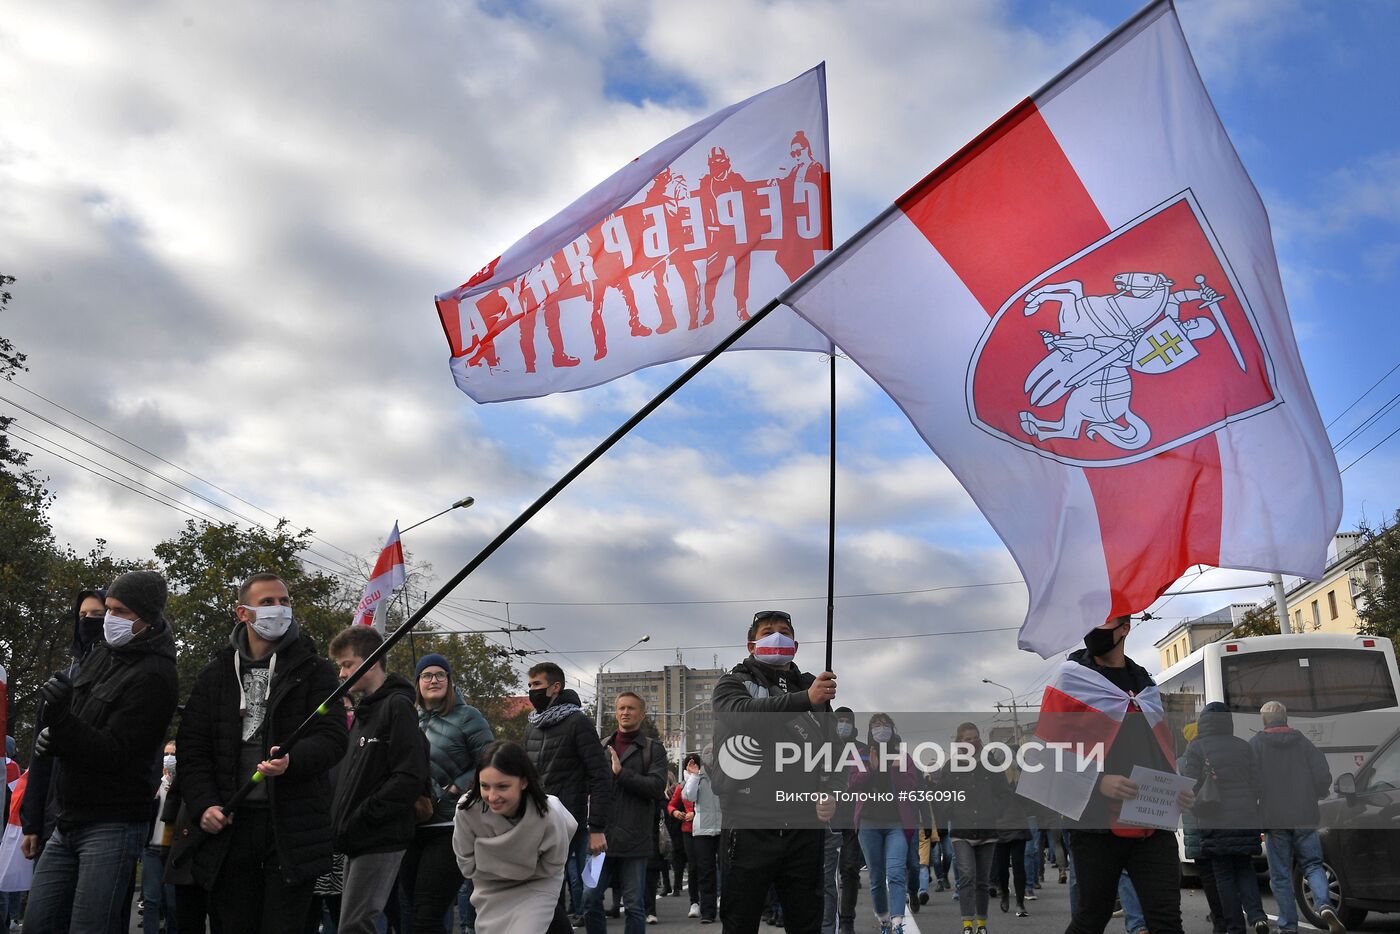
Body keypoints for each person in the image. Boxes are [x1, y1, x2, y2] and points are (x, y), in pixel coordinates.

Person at [175, 571, 349, 932]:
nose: (279, 609)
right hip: (230, 826)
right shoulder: (215, 675)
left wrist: (293, 761)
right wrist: (204, 804)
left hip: (292, 827)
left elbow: (332, 738)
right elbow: (193, 750)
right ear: (244, 613)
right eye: (267, 602)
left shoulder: (315, 671)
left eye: (284, 602)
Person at [23, 570, 180, 934]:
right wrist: (54, 737)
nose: (109, 619)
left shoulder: (156, 675)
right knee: (38, 923)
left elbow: (114, 752)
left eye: (121, 611)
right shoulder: (102, 655)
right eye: (108, 608)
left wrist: (62, 720)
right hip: (68, 819)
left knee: (91, 925)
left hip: (112, 824)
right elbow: (79, 722)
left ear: (148, 618)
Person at [1056, 616, 1191, 934]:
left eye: (1101, 622)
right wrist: (1100, 781)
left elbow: (1161, 748)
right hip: (1095, 826)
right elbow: (1049, 754)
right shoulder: (1072, 681)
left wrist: (1178, 789)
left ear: (1124, 628)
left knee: (1167, 920)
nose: (1091, 631)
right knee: (1093, 917)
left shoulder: (1146, 685)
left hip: (1152, 822)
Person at [711, 609, 839, 934]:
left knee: (807, 921)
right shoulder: (733, 682)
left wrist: (831, 790)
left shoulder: (814, 686)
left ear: (795, 645)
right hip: (748, 822)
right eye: (767, 632)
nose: (776, 637)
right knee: (740, 922)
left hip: (804, 826)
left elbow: (833, 748)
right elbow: (742, 715)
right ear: (751, 644)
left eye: (783, 631)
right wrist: (804, 699)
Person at [328, 625, 429, 934]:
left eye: (347, 664)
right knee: (352, 923)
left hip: (379, 836)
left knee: (357, 925)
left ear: (370, 662)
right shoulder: (363, 714)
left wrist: (364, 815)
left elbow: (409, 775)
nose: (342, 674)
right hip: (356, 837)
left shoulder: (396, 706)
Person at [20, 587, 108, 863]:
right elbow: (39, 756)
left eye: (97, 614)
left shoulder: (121, 678)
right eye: (82, 614)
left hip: (100, 818)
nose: (87, 621)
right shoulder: (62, 679)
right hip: (53, 817)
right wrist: (32, 823)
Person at [453, 740, 578, 934]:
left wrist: (490, 861)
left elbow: (553, 864)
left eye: (502, 787)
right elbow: (466, 863)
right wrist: (523, 865)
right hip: (489, 891)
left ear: (524, 781)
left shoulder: (548, 814)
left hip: (537, 886)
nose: (492, 796)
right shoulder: (467, 810)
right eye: (485, 786)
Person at [522, 661, 612, 927]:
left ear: (555, 687)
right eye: (529, 685)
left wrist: (596, 827)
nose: (532, 690)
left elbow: (600, 775)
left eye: (537, 685)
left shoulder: (578, 723)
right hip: (538, 822)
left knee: (589, 894)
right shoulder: (531, 727)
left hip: (576, 825)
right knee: (547, 897)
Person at [409, 652, 494, 934]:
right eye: (426, 675)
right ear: (418, 682)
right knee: (411, 911)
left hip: (450, 826)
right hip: (411, 825)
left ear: (449, 681)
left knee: (428, 913)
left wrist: (458, 785)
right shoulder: (409, 716)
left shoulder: (468, 717)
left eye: (440, 675)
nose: (434, 680)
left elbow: (491, 761)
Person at [1249, 701, 1344, 934]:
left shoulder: (1256, 745)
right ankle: (1323, 904)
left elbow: (1251, 781)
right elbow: (1322, 773)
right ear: (1286, 718)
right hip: (1305, 814)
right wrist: (1317, 793)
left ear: (1264, 720)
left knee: (1280, 875)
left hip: (1274, 818)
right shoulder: (1303, 742)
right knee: (1312, 865)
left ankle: (1288, 926)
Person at [584, 692, 666, 934]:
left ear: (641, 714)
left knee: (634, 905)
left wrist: (621, 773)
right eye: (621, 708)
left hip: (635, 840)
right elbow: (589, 786)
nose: (625, 712)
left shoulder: (653, 749)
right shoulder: (600, 747)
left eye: (630, 708)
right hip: (600, 838)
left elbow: (656, 787)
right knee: (589, 897)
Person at [1182, 702, 1267, 934]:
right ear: (1229, 722)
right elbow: (1258, 784)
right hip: (1245, 817)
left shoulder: (1197, 748)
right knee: (1245, 868)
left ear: (1203, 723)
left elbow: (1189, 784)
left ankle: (1235, 926)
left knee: (1224, 876)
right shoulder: (1243, 746)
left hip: (1214, 818)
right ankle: (1258, 916)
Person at [850, 713, 921, 934]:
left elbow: (911, 787)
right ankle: (883, 920)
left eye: (885, 725)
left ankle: (898, 923)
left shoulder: (903, 756)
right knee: (877, 877)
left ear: (892, 729)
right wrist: (871, 767)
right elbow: (852, 784)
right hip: (869, 822)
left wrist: (895, 769)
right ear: (870, 731)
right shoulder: (861, 755)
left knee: (896, 872)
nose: (881, 729)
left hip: (896, 823)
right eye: (876, 725)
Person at [936, 722, 1009, 934]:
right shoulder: (951, 766)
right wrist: (951, 811)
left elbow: (1004, 793)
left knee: (982, 881)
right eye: (967, 739)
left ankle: (982, 924)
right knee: (967, 875)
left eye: (975, 737)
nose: (972, 742)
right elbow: (940, 795)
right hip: (962, 831)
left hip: (987, 830)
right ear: (959, 742)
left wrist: (994, 811)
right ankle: (967, 923)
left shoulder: (990, 762)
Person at [823, 708, 865, 934]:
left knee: (849, 871)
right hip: (827, 819)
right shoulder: (823, 747)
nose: (843, 724)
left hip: (854, 821)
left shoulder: (863, 750)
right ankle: (827, 922)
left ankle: (847, 920)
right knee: (826, 876)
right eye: (840, 720)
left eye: (848, 721)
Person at [141, 741, 178, 934]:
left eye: (173, 754)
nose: (169, 757)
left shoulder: (180, 785)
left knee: (172, 903)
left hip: (172, 851)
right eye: (166, 753)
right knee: (151, 900)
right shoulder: (155, 783)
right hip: (152, 849)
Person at [681, 751, 720, 924]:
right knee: (706, 872)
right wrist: (695, 776)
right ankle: (708, 912)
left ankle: (727, 908)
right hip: (702, 829)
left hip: (723, 826)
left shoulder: (725, 772)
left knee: (728, 870)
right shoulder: (697, 775)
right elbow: (688, 796)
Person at [666, 767, 695, 905]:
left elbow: (670, 807)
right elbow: (671, 807)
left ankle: (677, 886)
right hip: (683, 827)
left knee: (679, 859)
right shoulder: (680, 788)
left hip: (680, 827)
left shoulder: (679, 788)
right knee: (687, 859)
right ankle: (679, 887)